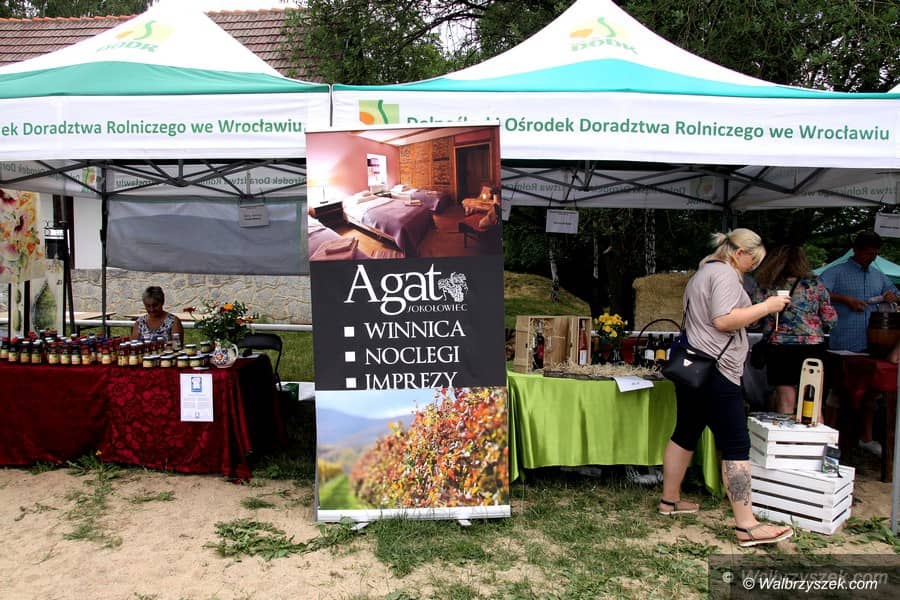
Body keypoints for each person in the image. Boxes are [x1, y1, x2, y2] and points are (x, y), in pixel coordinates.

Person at [659, 228, 793, 548]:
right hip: (717, 370)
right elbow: (723, 320)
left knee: (685, 432)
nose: (754, 267)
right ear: (739, 253)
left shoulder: (702, 273)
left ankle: (670, 501)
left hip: (694, 368)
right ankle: (747, 525)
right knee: (736, 443)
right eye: (753, 261)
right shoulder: (725, 275)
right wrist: (768, 306)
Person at [820, 231, 899, 456]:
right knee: (838, 391)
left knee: (871, 393)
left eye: (875, 254)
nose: (871, 258)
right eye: (868, 254)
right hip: (843, 341)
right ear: (856, 250)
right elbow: (818, 292)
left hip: (872, 343)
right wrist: (845, 299)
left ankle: (866, 437)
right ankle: (830, 438)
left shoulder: (877, 275)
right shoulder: (836, 272)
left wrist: (891, 296)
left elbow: (894, 293)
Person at [753, 245, 837, 416]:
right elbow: (831, 319)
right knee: (813, 403)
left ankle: (786, 432)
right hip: (812, 347)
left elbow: (754, 321)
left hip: (780, 348)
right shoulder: (815, 285)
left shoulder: (766, 286)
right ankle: (814, 432)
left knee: (785, 400)